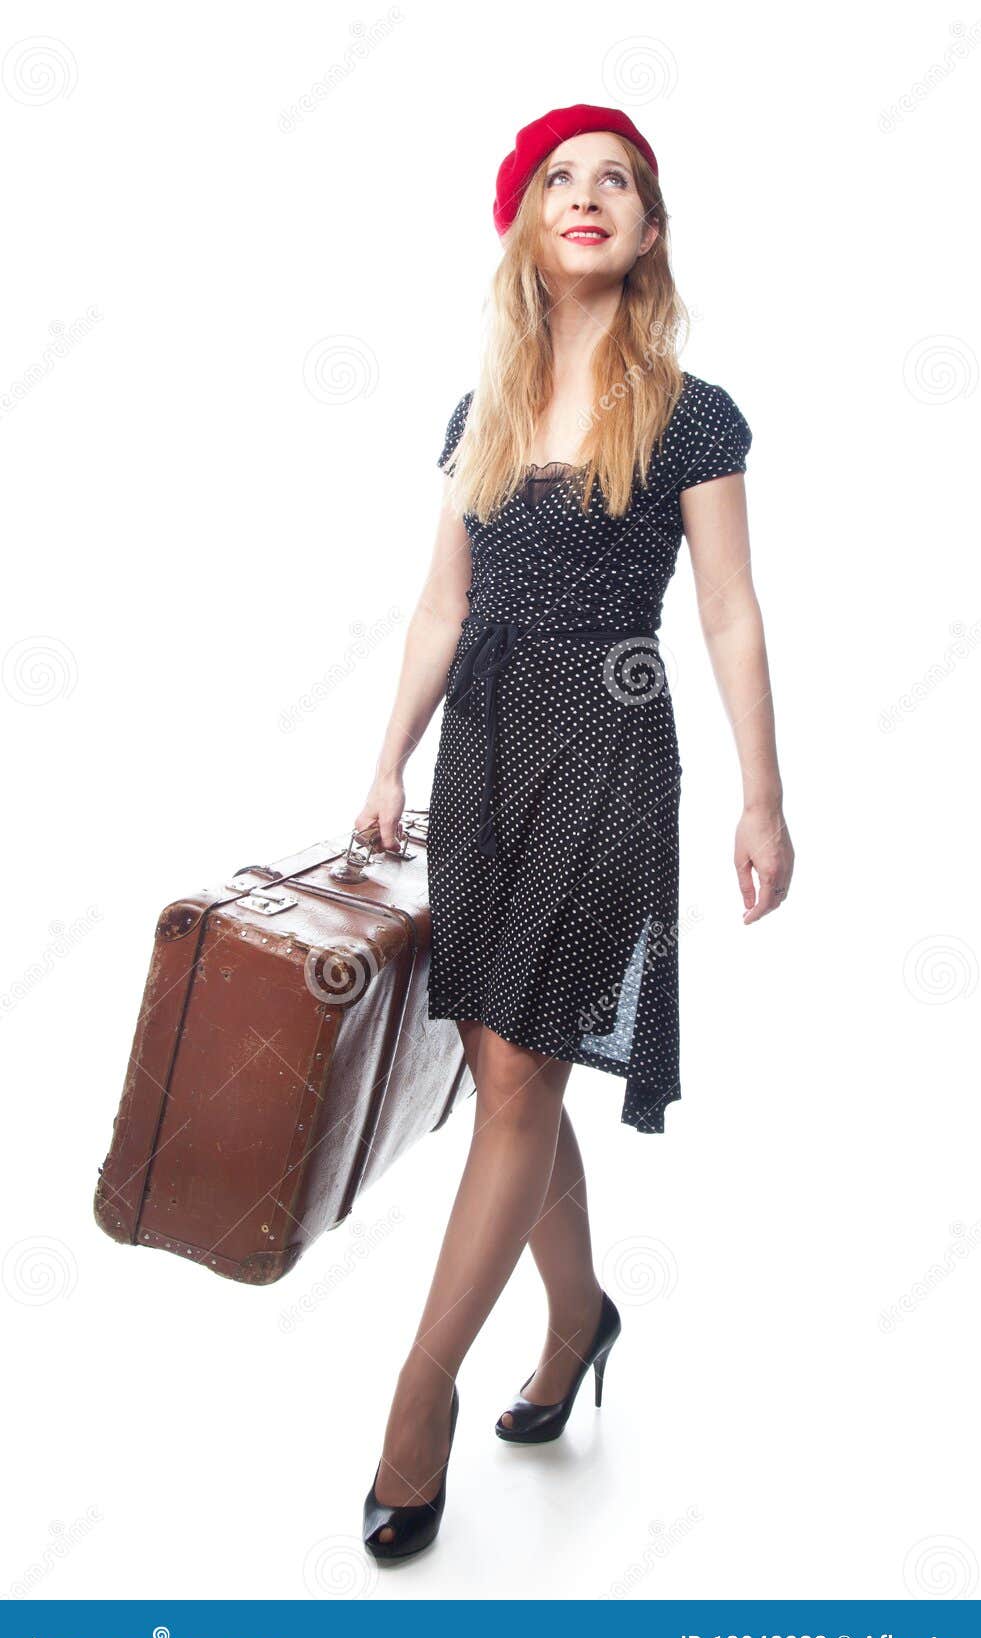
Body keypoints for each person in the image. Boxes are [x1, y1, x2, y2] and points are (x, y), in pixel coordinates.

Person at [355, 102, 794, 1561]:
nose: (587, 196)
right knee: (504, 1074)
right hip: (482, 753)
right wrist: (385, 758)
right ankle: (576, 1316)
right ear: (528, 226)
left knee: (528, 1063)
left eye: (615, 181)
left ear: (648, 232)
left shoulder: (689, 412)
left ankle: (420, 1397)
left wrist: (762, 793)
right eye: (560, 179)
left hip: (608, 738)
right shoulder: (478, 413)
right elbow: (441, 605)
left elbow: (727, 609)